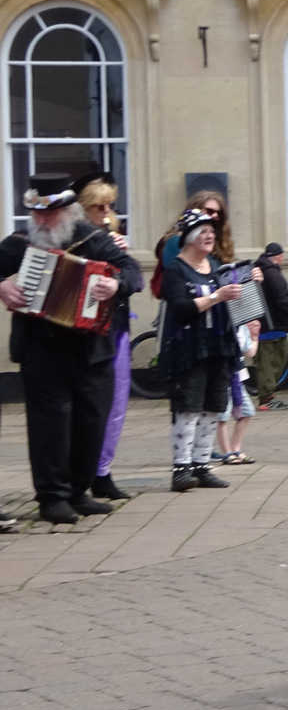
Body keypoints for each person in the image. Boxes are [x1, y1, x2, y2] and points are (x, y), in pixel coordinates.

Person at [0, 174, 141, 525]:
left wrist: (115, 284)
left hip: (91, 351)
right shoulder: (20, 244)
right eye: (37, 214)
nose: (43, 220)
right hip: (41, 350)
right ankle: (52, 497)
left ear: (68, 211)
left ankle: (79, 492)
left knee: (91, 423)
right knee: (50, 428)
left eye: (50, 213)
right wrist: (2, 286)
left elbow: (132, 271)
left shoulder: (93, 239)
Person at [159, 208, 250, 492]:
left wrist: (249, 282)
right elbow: (180, 308)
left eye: (212, 232)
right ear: (189, 238)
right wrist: (216, 296)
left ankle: (202, 466)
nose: (210, 236)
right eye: (204, 232)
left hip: (219, 347)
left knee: (213, 407)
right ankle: (181, 469)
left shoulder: (214, 266)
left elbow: (232, 301)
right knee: (188, 408)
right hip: (189, 348)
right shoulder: (176, 269)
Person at [75, 171, 137, 501]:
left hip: (116, 327)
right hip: (85, 333)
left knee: (116, 403)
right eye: (100, 206)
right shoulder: (75, 238)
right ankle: (80, 474)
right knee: (90, 406)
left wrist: (121, 262)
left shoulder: (113, 238)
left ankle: (102, 471)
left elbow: (135, 279)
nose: (107, 212)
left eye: (110, 205)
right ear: (84, 208)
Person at [251, 242, 288, 411]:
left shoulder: (258, 271)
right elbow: (283, 299)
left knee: (267, 363)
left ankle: (268, 396)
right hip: (273, 327)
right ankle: (266, 399)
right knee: (272, 363)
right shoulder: (274, 274)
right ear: (279, 257)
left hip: (262, 326)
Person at [215, 319, 258, 465]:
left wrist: (255, 337)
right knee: (222, 416)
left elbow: (250, 352)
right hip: (222, 376)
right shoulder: (221, 326)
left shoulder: (242, 328)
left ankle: (236, 449)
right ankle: (227, 452)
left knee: (247, 412)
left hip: (237, 378)